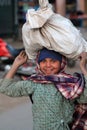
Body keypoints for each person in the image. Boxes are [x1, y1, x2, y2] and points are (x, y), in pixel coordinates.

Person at [0, 48, 87, 130]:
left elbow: (85, 97)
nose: (48, 65)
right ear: (38, 63)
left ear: (61, 63)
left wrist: (83, 67)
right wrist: (16, 64)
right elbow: (6, 88)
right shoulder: (34, 83)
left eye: (53, 61)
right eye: (43, 61)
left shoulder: (70, 83)